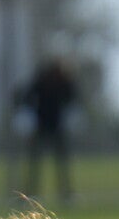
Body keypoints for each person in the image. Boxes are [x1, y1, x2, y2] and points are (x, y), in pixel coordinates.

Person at [16, 57, 78, 204]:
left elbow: (72, 97)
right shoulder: (42, 81)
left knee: (61, 162)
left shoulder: (64, 82)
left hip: (56, 127)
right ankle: (29, 195)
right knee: (35, 163)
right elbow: (25, 97)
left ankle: (66, 194)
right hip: (42, 126)